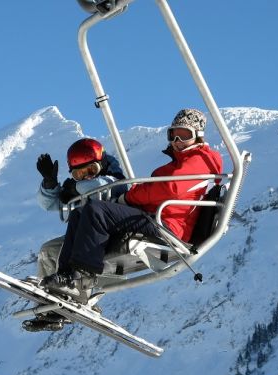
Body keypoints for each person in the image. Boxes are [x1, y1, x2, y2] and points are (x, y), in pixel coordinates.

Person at [43, 108, 223, 299]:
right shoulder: (179, 163)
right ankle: (65, 277)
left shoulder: (200, 160)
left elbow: (169, 188)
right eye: (173, 135)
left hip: (167, 225)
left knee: (96, 210)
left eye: (184, 135)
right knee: (80, 212)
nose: (177, 142)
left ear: (198, 136)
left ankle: (82, 277)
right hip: (153, 217)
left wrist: (128, 198)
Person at [23, 138, 126, 332]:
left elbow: (99, 186)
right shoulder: (80, 187)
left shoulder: (116, 181)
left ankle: (80, 294)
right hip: (84, 238)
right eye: (79, 173)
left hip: (107, 237)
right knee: (48, 251)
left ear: (102, 165)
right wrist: (50, 183)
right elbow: (49, 204)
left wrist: (74, 188)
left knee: (71, 253)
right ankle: (49, 305)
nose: (86, 177)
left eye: (91, 171)